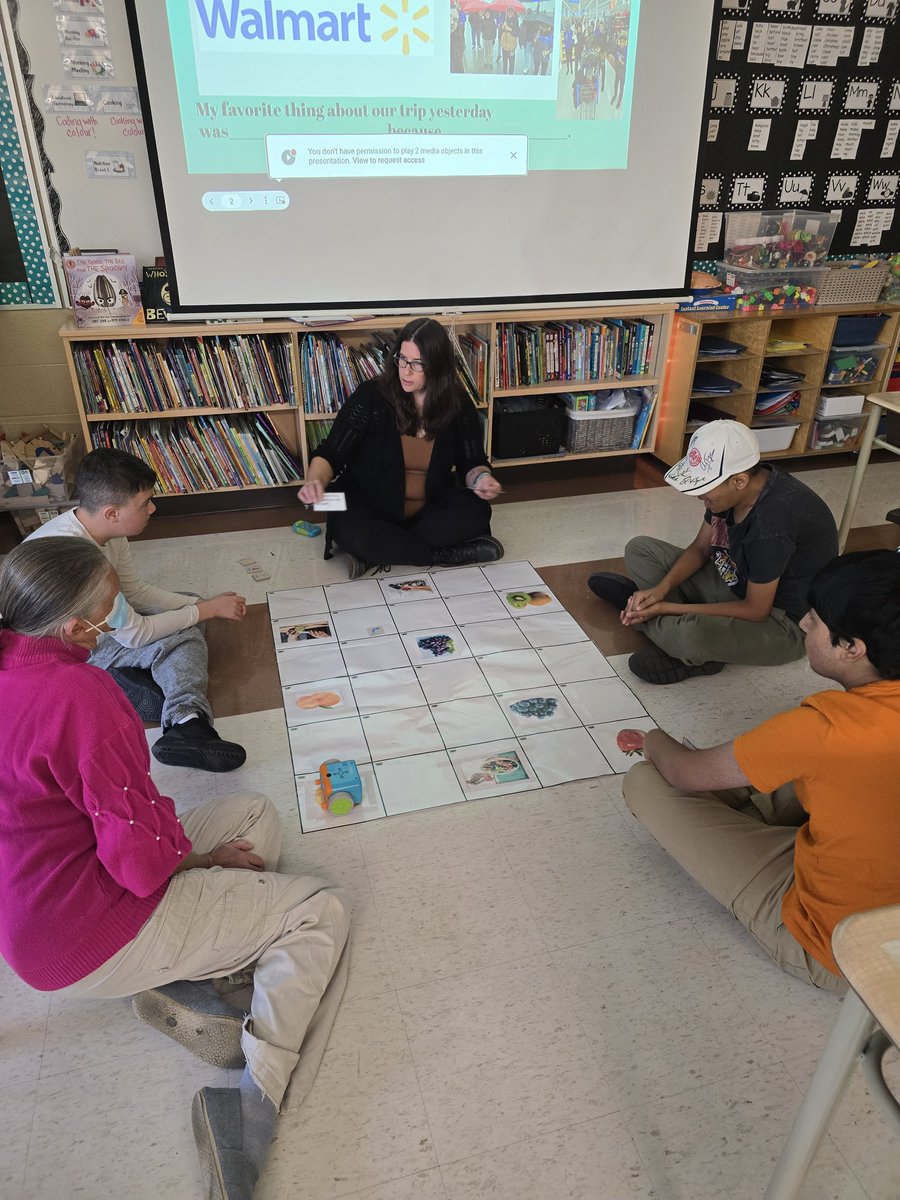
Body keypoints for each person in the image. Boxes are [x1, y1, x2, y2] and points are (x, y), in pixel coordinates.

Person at [0, 537, 350, 1199]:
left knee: (252, 815)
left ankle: (189, 982)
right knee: (319, 908)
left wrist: (196, 859)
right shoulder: (79, 693)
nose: (117, 618)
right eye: (109, 609)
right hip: (88, 928)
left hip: (34, 912)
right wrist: (199, 860)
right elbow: (137, 861)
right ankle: (254, 1104)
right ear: (73, 628)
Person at [620, 550, 900, 993]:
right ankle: (750, 804)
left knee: (646, 781)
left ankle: (748, 809)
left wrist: (653, 738)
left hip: (846, 949)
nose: (803, 623)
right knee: (824, 772)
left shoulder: (822, 729)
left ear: (852, 647)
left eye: (815, 619)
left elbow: (685, 773)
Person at [28, 448, 247, 771]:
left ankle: (130, 678)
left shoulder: (102, 529)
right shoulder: (81, 558)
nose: (153, 508)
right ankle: (187, 723)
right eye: (145, 503)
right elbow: (135, 634)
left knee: (190, 602)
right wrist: (206, 611)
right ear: (112, 512)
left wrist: (200, 605)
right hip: (65, 654)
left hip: (92, 626)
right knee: (184, 633)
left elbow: (135, 592)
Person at [587, 420, 838, 684]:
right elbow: (699, 549)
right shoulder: (736, 492)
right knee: (640, 549)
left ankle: (645, 618)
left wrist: (667, 606)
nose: (700, 498)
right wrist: (660, 590)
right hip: (737, 583)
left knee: (691, 636)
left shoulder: (771, 523)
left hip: (784, 624)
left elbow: (756, 610)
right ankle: (654, 617)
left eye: (705, 489)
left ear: (739, 481)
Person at [298, 318, 503, 578]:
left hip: (429, 506)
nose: (405, 371)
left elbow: (471, 463)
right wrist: (315, 481)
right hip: (371, 504)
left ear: (438, 366)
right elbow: (330, 454)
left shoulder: (457, 404)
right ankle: (441, 554)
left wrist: (482, 479)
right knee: (349, 527)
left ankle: (380, 553)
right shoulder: (371, 397)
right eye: (402, 360)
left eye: (417, 364)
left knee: (478, 511)